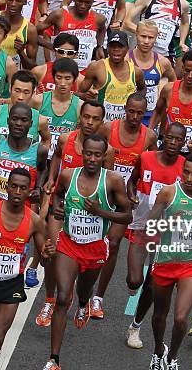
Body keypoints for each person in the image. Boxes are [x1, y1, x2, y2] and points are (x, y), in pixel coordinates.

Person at [43, 134, 132, 370]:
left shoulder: (112, 181)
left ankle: (84, 303)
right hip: (69, 244)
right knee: (63, 297)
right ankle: (54, 360)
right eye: (89, 154)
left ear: (104, 156)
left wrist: (103, 212)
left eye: (97, 155)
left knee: (84, 290)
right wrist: (58, 207)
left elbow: (127, 215)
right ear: (83, 153)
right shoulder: (68, 175)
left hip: (94, 248)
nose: (92, 158)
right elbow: (58, 195)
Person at [0, 168, 54, 370]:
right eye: (13, 186)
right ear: (6, 187)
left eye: (23, 188)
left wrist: (48, 256)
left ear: (29, 191)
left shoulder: (35, 221)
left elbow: (44, 256)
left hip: (11, 285)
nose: (17, 191)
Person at [34, 101, 114, 326]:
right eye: (86, 117)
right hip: (61, 208)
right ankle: (50, 301)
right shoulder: (65, 139)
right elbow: (57, 157)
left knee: (83, 263)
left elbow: (109, 182)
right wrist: (51, 178)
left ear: (101, 121)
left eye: (95, 118)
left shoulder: (105, 151)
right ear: (80, 117)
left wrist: (101, 211)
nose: (89, 122)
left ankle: (81, 300)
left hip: (88, 215)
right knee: (50, 251)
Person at [147, 153, 192, 370]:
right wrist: (168, 224)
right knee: (160, 315)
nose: (188, 177)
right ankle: (159, 349)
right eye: (186, 172)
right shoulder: (168, 193)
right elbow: (150, 224)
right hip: (165, 260)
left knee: (180, 318)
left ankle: (172, 358)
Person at [91, 93, 157, 318]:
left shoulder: (149, 137)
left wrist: (137, 191)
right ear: (125, 109)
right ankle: (82, 288)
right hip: (104, 193)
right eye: (131, 111)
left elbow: (149, 167)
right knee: (91, 242)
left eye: (140, 113)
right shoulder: (108, 129)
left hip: (128, 199)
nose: (135, 116)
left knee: (114, 243)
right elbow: (94, 156)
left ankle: (98, 297)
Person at [124, 122, 187, 349]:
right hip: (141, 226)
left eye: (178, 139)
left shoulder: (185, 168)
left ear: (183, 143)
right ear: (163, 137)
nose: (173, 142)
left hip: (167, 233)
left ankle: (135, 326)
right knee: (135, 280)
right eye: (169, 138)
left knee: (151, 285)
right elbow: (132, 180)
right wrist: (131, 195)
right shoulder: (146, 158)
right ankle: (133, 285)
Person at [0, 102, 48, 207]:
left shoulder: (39, 150)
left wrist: (38, 188)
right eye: (15, 119)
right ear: (8, 121)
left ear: (31, 123)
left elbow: (43, 170)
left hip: (22, 210)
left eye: (24, 120)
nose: (18, 123)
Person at [124, 0, 190, 61]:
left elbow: (185, 23)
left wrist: (182, 42)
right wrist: (147, 33)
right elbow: (127, 22)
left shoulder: (183, 4)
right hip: (141, 54)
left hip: (164, 57)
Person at [0, 70, 51, 151]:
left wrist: (37, 157)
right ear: (10, 88)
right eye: (17, 91)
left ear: (33, 93)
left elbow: (47, 140)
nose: (20, 97)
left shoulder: (40, 120)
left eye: (26, 92)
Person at [79, 30, 146, 122]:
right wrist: (89, 98)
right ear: (107, 48)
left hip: (124, 125)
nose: (116, 49)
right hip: (101, 125)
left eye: (120, 46)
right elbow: (80, 93)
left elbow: (142, 89)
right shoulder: (96, 68)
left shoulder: (136, 72)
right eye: (112, 46)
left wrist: (136, 105)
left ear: (127, 48)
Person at [37, 0, 107, 71]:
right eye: (80, 1)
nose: (83, 6)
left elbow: (102, 29)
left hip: (83, 71)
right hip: (60, 70)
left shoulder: (98, 19)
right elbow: (32, 32)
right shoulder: (59, 15)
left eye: (87, 2)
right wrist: (51, 46)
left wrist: (99, 46)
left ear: (93, 1)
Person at [29, 58, 83, 160]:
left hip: (62, 158)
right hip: (37, 156)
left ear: (74, 80)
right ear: (53, 78)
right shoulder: (38, 100)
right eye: (59, 77)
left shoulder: (80, 106)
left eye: (67, 78)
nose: (63, 83)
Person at [127, 20, 176, 126]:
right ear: (136, 34)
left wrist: (163, 100)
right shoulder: (126, 60)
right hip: (128, 115)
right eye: (143, 36)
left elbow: (174, 84)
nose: (146, 41)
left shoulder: (163, 62)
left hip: (151, 117)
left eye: (150, 37)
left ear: (156, 38)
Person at [0, 0, 39, 70]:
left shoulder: (30, 29)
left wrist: (21, 52)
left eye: (18, 1)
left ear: (25, 2)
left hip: (12, 77)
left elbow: (31, 66)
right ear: (6, 0)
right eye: (10, 0)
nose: (13, 4)